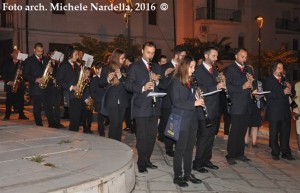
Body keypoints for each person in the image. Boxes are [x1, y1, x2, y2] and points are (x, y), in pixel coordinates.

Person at [125, 41, 163, 173]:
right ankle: (141, 162)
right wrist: (142, 87)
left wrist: (157, 80)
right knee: (142, 136)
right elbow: (128, 85)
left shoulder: (157, 67)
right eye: (148, 52)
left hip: (154, 107)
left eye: (152, 53)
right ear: (142, 51)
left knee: (152, 136)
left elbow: (163, 85)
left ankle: (147, 159)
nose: (150, 56)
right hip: (141, 107)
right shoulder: (135, 67)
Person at [170, 55, 204, 187]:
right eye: (191, 67)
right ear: (184, 66)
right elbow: (177, 102)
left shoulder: (191, 80)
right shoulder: (176, 81)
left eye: (194, 67)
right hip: (181, 119)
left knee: (190, 148)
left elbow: (191, 97)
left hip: (192, 119)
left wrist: (198, 96)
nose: (193, 69)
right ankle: (177, 175)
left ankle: (188, 173)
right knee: (180, 149)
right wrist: (194, 103)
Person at [193, 46, 225, 173]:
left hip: (214, 108)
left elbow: (217, 87)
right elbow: (198, 90)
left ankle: (206, 159)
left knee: (211, 136)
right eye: (213, 56)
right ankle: (198, 163)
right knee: (203, 137)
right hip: (204, 108)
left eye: (217, 56)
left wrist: (222, 83)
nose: (216, 59)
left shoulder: (214, 71)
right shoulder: (198, 71)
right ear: (206, 56)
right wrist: (216, 86)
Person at [224, 48, 255, 165]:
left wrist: (252, 83)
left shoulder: (248, 69)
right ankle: (230, 154)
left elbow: (254, 85)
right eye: (242, 56)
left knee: (243, 130)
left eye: (246, 57)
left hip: (247, 104)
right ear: (236, 56)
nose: (244, 59)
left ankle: (240, 153)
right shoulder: (230, 69)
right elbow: (227, 87)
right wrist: (241, 87)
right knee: (235, 130)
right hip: (236, 104)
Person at [158, 45, 187, 157]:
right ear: (176, 55)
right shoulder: (164, 67)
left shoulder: (184, 68)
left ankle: (178, 145)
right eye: (183, 56)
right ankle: (169, 148)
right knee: (169, 126)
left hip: (181, 101)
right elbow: (161, 85)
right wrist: (166, 75)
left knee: (179, 125)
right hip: (168, 102)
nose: (184, 58)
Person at [263, 60, 295, 160]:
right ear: (274, 69)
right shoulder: (269, 80)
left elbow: (292, 94)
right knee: (274, 133)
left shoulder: (285, 79)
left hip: (285, 110)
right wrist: (283, 92)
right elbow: (268, 95)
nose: (281, 70)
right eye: (279, 68)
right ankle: (275, 152)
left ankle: (286, 152)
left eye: (282, 68)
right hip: (274, 111)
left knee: (285, 132)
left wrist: (291, 88)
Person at [23, 42, 56, 127]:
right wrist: (35, 79)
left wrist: (52, 71)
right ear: (34, 50)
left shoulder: (46, 59)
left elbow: (51, 73)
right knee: (37, 108)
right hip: (35, 88)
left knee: (48, 106)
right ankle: (39, 124)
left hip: (46, 87)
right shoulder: (29, 60)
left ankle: (52, 124)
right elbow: (25, 75)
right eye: (38, 51)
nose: (40, 53)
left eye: (41, 51)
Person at [99, 48, 129, 141]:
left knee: (119, 123)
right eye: (122, 58)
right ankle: (113, 143)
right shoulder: (106, 68)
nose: (124, 60)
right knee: (114, 123)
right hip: (112, 100)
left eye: (124, 58)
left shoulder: (124, 69)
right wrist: (107, 79)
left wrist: (120, 77)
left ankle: (118, 142)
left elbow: (128, 85)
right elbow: (100, 83)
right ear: (116, 58)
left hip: (122, 100)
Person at [57, 46, 81, 132]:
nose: (77, 56)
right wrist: (71, 87)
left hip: (77, 94)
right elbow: (59, 81)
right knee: (74, 117)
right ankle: (72, 134)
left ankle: (75, 133)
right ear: (70, 55)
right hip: (70, 94)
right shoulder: (64, 65)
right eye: (76, 54)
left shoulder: (76, 66)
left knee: (77, 117)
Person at [2, 49, 29, 120]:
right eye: (16, 53)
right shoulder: (7, 62)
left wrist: (22, 72)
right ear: (12, 54)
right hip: (10, 84)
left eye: (19, 53)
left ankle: (21, 115)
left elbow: (27, 73)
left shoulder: (22, 63)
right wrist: (8, 81)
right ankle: (7, 115)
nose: (18, 54)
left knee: (21, 100)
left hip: (20, 84)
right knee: (9, 101)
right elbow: (3, 73)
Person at [90, 62, 106, 136]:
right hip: (99, 101)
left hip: (106, 101)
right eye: (100, 69)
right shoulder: (94, 79)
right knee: (100, 118)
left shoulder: (105, 78)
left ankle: (103, 129)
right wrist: (99, 100)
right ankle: (101, 131)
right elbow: (92, 93)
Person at [123, 54, 135, 133]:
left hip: (129, 94)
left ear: (127, 60)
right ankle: (131, 127)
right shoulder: (134, 67)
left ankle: (129, 127)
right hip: (133, 93)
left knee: (128, 111)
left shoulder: (130, 68)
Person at [293, 81, 300, 154]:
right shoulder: (297, 85)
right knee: (299, 129)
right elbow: (295, 97)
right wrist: (298, 106)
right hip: (299, 110)